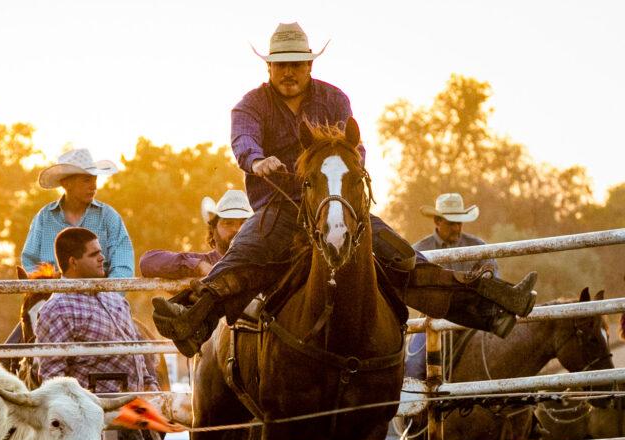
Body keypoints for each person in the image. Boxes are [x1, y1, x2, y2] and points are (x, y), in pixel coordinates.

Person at [151, 22, 537, 357]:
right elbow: (243, 143)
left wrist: (350, 172)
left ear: (309, 65)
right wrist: (257, 161)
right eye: (282, 64)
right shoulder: (249, 106)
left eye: (296, 63)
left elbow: (355, 147)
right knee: (243, 257)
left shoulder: (335, 99)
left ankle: (493, 309)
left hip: (335, 202)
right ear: (269, 67)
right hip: (280, 207)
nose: (289, 71)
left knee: (403, 259)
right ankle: (191, 323)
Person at [35, 228, 158, 440]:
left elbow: (133, 347)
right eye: (94, 254)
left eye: (100, 252)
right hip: (90, 417)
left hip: (130, 407)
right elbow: (53, 374)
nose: (102, 258)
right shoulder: (56, 308)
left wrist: (148, 382)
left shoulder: (114, 298)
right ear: (73, 262)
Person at [405, 193, 498, 381]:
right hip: (433, 316)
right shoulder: (420, 250)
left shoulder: (478, 246)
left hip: (473, 315)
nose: (457, 227)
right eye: (451, 222)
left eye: (460, 223)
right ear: (437, 221)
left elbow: (494, 280)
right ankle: (416, 407)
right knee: (413, 368)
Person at [21, 149, 135, 279]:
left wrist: (106, 295)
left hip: (99, 293)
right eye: (86, 180)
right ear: (66, 183)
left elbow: (123, 266)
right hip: (53, 295)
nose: (94, 186)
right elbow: (30, 262)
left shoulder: (108, 216)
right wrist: (49, 290)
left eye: (94, 180)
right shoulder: (44, 217)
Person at [139, 189, 253, 279]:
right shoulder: (203, 262)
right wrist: (199, 266)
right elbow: (147, 262)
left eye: (244, 223)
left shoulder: (264, 265)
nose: (237, 230)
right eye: (228, 223)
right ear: (213, 231)